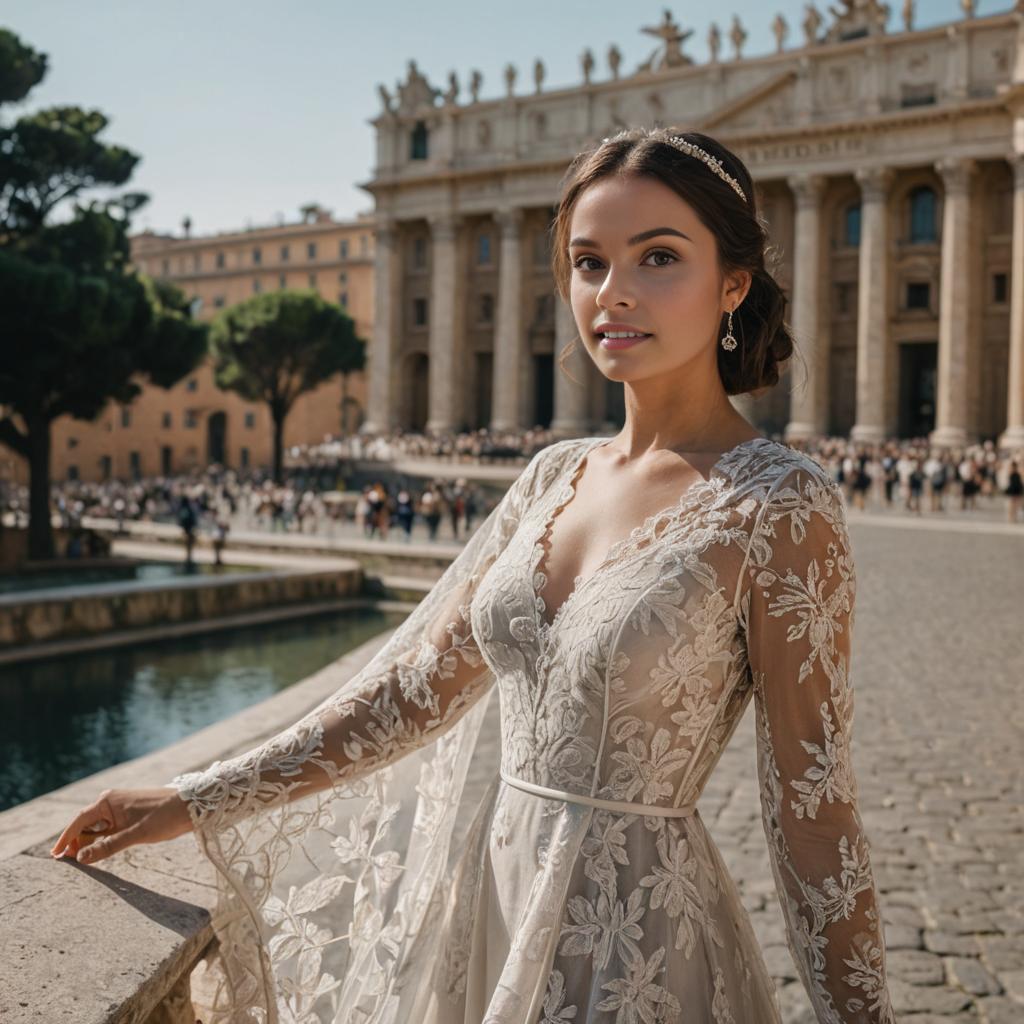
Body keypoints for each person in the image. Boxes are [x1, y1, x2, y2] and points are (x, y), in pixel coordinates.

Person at [50, 128, 896, 1023]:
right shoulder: (550, 476)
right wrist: (194, 796)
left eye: (658, 257)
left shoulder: (780, 501)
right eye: (588, 261)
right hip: (489, 906)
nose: (614, 293)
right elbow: (409, 696)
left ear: (732, 283)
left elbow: (811, 810)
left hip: (638, 948)